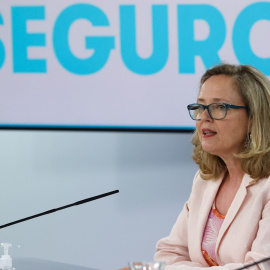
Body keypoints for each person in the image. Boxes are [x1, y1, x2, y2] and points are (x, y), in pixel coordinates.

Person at [119, 63, 270, 270]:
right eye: (200, 107)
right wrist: (143, 268)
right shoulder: (206, 179)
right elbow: (170, 253)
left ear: (253, 119)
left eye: (219, 107)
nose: (204, 117)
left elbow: (259, 268)